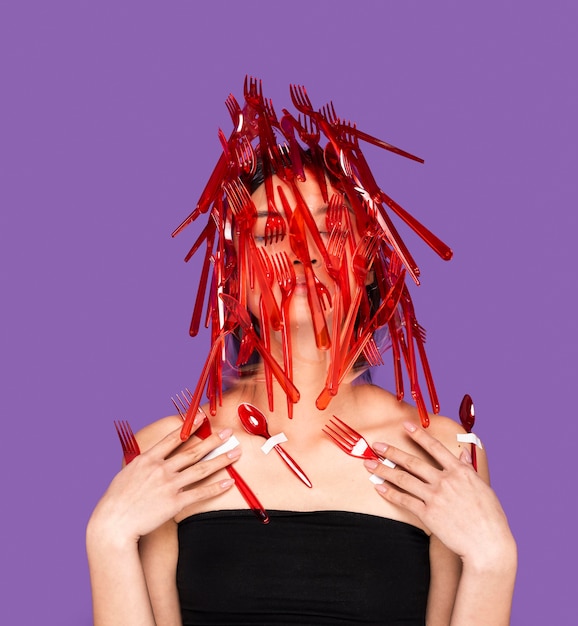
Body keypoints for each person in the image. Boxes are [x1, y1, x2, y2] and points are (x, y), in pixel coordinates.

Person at [87, 78, 517, 625]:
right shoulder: (168, 457)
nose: (302, 254)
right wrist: (108, 538)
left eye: (327, 231)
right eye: (271, 234)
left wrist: (494, 561)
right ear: (233, 276)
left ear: (367, 264)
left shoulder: (441, 455)